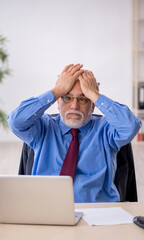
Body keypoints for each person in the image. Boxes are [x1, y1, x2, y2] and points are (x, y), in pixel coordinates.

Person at [8, 63, 141, 203]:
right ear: (58, 102)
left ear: (93, 105)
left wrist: (94, 94)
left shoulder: (106, 131)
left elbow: (131, 125)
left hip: (97, 214)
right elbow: (16, 121)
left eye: (83, 99)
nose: (74, 105)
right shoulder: (43, 128)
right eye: (67, 97)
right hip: (45, 210)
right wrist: (57, 90)